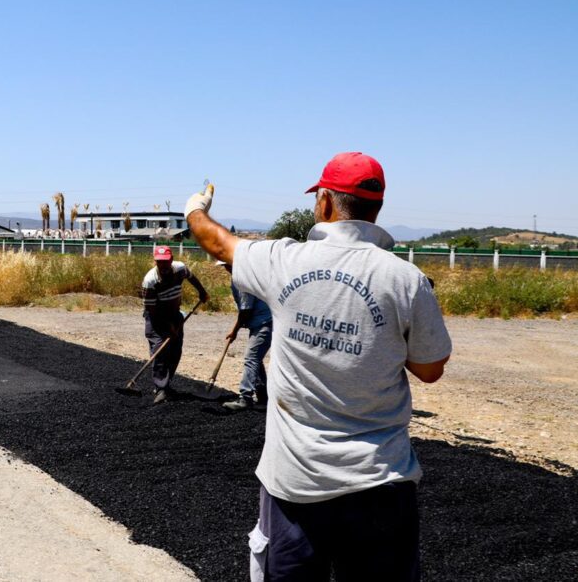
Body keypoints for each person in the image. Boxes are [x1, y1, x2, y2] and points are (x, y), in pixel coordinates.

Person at [185, 152, 451, 581]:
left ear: (325, 202)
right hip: (381, 483)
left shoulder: (285, 261)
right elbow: (431, 368)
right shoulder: (406, 280)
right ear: (377, 207)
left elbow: (217, 242)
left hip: (297, 485)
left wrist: (195, 208)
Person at [140, 246, 209, 404]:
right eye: (159, 262)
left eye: (165, 262)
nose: (163, 265)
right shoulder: (150, 281)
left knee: (175, 350)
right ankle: (161, 388)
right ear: (155, 261)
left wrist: (202, 292)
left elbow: (192, 277)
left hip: (174, 314)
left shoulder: (180, 269)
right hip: (155, 318)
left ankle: (166, 383)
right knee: (160, 350)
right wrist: (168, 327)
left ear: (171, 260)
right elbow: (151, 309)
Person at [218, 261, 273, 412]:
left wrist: (235, 331)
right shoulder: (241, 278)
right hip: (260, 322)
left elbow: (245, 311)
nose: (227, 269)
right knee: (255, 359)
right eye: (226, 266)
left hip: (264, 323)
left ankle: (245, 398)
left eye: (228, 266)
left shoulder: (243, 281)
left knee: (251, 358)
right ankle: (263, 398)